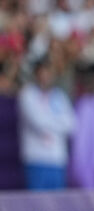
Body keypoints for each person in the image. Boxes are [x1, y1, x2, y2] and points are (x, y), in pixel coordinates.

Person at [18, 56, 76, 190]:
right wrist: (57, 121)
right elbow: (38, 122)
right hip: (36, 158)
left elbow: (71, 124)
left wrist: (49, 121)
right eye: (42, 72)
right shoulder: (28, 94)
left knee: (57, 206)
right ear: (36, 74)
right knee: (36, 204)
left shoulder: (59, 96)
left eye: (49, 72)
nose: (46, 76)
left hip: (57, 159)